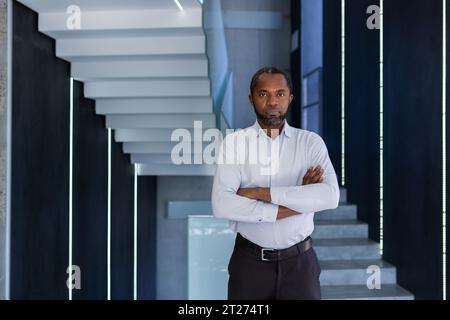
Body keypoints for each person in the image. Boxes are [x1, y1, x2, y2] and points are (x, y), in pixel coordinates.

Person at [211, 67, 340, 300]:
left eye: (280, 94)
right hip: (249, 265)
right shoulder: (234, 144)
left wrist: (262, 193)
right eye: (263, 94)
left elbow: (330, 197)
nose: (272, 102)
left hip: (300, 265)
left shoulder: (310, 143)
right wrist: (301, 199)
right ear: (251, 99)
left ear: (290, 98)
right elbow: (222, 205)